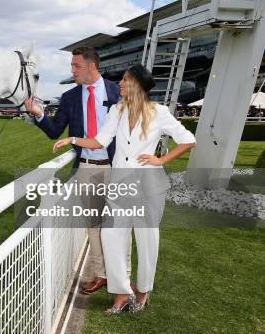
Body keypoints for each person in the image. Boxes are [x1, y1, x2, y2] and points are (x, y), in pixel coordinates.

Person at [53, 64, 196, 314]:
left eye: (125, 79)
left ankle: (142, 292)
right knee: (112, 237)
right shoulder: (117, 110)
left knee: (146, 239)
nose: (119, 83)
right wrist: (73, 139)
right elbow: (100, 141)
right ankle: (121, 293)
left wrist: (161, 160)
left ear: (137, 84)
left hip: (149, 185)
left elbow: (188, 140)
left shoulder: (159, 112)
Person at [25, 46, 129, 295]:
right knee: (94, 225)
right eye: (72, 66)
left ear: (92, 66)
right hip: (87, 169)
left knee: (120, 225)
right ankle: (101, 274)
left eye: (76, 66)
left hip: (119, 168)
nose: (72, 70)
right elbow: (55, 130)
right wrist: (39, 115)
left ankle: (124, 278)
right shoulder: (70, 96)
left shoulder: (118, 91)